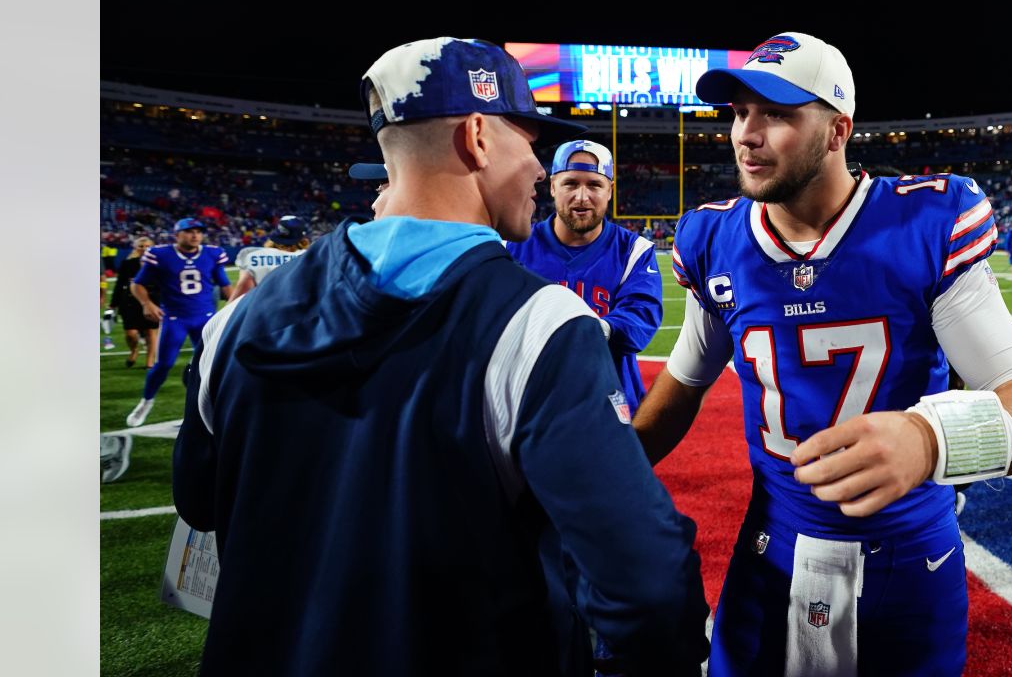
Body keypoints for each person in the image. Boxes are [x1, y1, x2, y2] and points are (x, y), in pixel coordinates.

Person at [172, 37, 709, 677]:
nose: (539, 169)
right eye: (527, 140)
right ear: (478, 136)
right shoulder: (538, 324)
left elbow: (197, 502)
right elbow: (646, 587)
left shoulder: (235, 321)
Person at [633, 31, 1012, 676]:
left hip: (908, 557)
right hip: (769, 549)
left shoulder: (923, 223)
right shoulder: (714, 239)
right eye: (740, 113)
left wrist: (928, 439)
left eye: (776, 114)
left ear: (837, 131)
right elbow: (682, 382)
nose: (746, 135)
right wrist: (589, 483)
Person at [506, 139, 662, 415]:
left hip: (608, 403)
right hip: (530, 403)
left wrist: (592, 331)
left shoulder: (634, 251)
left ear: (610, 190)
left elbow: (642, 317)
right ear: (553, 186)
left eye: (594, 185)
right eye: (570, 184)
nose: (581, 196)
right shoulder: (513, 246)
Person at [124, 218, 231, 427]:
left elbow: (226, 286)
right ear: (177, 234)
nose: (195, 235)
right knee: (164, 364)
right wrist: (146, 304)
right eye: (189, 231)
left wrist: (237, 305)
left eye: (198, 231)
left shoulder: (212, 253)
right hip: (175, 318)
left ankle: (215, 406)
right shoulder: (160, 254)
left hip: (206, 319)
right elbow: (137, 284)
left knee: (214, 365)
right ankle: (146, 401)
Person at [228, 216, 310, 300]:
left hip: (263, 310)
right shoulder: (309, 258)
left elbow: (241, 292)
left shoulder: (253, 255)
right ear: (302, 238)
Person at [111, 236, 160, 368]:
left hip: (152, 300)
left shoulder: (159, 264)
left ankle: (149, 362)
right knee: (130, 333)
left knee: (151, 331)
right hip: (129, 302)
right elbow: (119, 284)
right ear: (136, 248)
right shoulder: (127, 263)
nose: (144, 249)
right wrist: (113, 304)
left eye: (147, 246)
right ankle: (134, 350)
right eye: (141, 246)